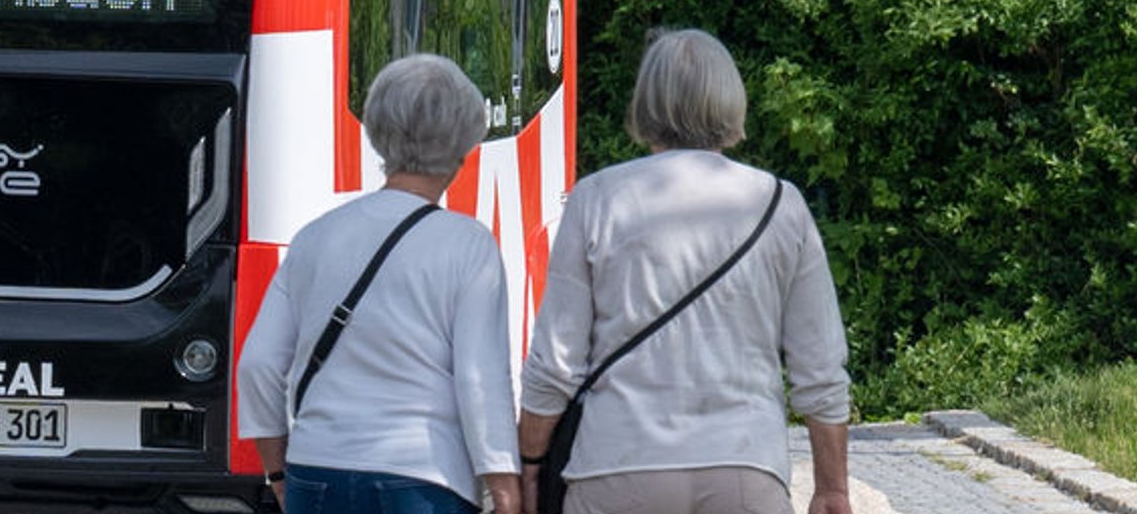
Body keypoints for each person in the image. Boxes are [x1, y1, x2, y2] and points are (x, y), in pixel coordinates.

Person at [517, 28, 851, 514]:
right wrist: (832, 486)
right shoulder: (781, 204)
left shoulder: (596, 198)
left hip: (618, 465)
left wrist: (529, 461)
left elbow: (556, 361)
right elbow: (819, 368)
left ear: (645, 101)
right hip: (745, 466)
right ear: (731, 100)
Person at [238, 54, 521, 514]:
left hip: (317, 469)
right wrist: (504, 486)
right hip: (424, 475)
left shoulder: (316, 236)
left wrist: (277, 471)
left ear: (376, 132)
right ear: (464, 144)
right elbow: (479, 379)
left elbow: (258, 365)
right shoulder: (468, 245)